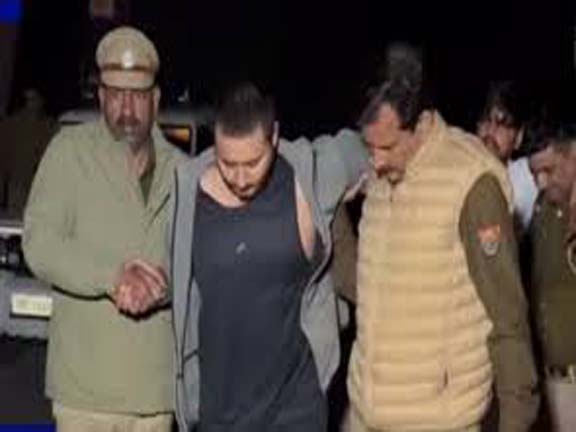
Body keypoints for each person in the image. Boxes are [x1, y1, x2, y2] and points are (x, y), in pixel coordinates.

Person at [346, 43, 538, 432]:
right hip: (367, 417)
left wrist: (516, 419)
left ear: (421, 123)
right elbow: (370, 289)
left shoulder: (472, 182)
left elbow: (508, 318)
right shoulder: (379, 178)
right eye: (369, 146)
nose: (376, 161)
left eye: (387, 147)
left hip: (438, 420)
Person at [169, 82, 368, 432]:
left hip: (295, 408)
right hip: (219, 410)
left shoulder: (308, 175)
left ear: (274, 137)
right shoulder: (187, 193)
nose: (240, 178)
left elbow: (363, 146)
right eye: (228, 163)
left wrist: (364, 181)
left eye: (253, 163)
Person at [23, 26, 187, 432]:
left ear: (155, 99)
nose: (126, 108)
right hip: (85, 395)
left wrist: (164, 283)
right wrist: (113, 277)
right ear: (100, 97)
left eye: (137, 95)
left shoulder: (184, 171)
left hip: (155, 394)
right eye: (115, 94)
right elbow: (40, 243)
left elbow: (198, 256)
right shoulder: (69, 153)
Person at [529, 124, 576, 431]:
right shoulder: (542, 208)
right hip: (555, 382)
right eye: (535, 173)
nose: (541, 183)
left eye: (549, 170)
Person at [476, 81, 537, 232]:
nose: (491, 130)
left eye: (502, 123)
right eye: (486, 120)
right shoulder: (457, 170)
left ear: (518, 137)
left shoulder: (527, 178)